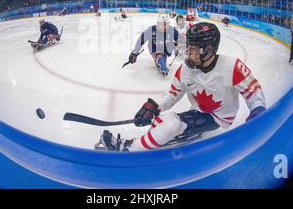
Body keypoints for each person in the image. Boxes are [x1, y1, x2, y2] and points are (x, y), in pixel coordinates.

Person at [98, 22, 266, 151]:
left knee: (172, 124)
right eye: (189, 48)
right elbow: (173, 94)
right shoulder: (185, 69)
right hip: (197, 111)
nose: (189, 53)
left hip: (218, 117)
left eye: (194, 49)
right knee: (165, 119)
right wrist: (156, 107)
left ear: (208, 49)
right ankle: (153, 137)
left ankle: (128, 149)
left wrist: (257, 109)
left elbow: (253, 91)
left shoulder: (231, 66)